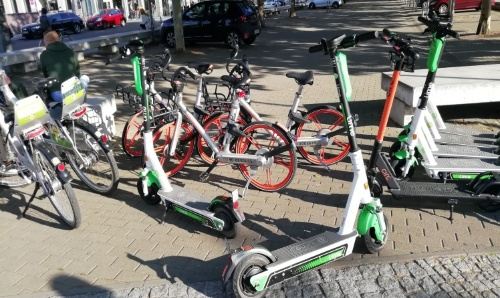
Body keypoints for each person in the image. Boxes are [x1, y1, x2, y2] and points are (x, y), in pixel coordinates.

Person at [39, 30, 81, 119]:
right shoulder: (70, 51)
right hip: (75, 90)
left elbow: (44, 74)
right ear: (58, 39)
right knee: (85, 78)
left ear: (46, 42)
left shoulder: (44, 55)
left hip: (59, 94)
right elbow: (78, 72)